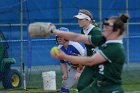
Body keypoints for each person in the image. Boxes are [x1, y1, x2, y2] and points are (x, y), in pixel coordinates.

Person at [50, 14, 129, 93]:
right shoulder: (103, 40)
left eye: (107, 26)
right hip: (98, 87)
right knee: (81, 87)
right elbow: (77, 37)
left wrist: (65, 56)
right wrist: (54, 31)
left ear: (117, 31)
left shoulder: (115, 48)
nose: (104, 28)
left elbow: (90, 61)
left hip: (110, 89)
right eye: (104, 25)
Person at [73, 9, 102, 91]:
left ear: (87, 20)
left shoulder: (96, 31)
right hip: (90, 64)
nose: (78, 21)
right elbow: (87, 48)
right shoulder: (83, 31)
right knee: (81, 87)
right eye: (78, 19)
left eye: (80, 19)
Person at [56, 27, 87, 93]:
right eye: (58, 36)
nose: (59, 38)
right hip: (75, 67)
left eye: (61, 36)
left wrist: (79, 72)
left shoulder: (76, 45)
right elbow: (62, 62)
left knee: (84, 87)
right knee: (64, 87)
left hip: (88, 67)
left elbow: (86, 59)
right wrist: (65, 73)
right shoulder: (59, 48)